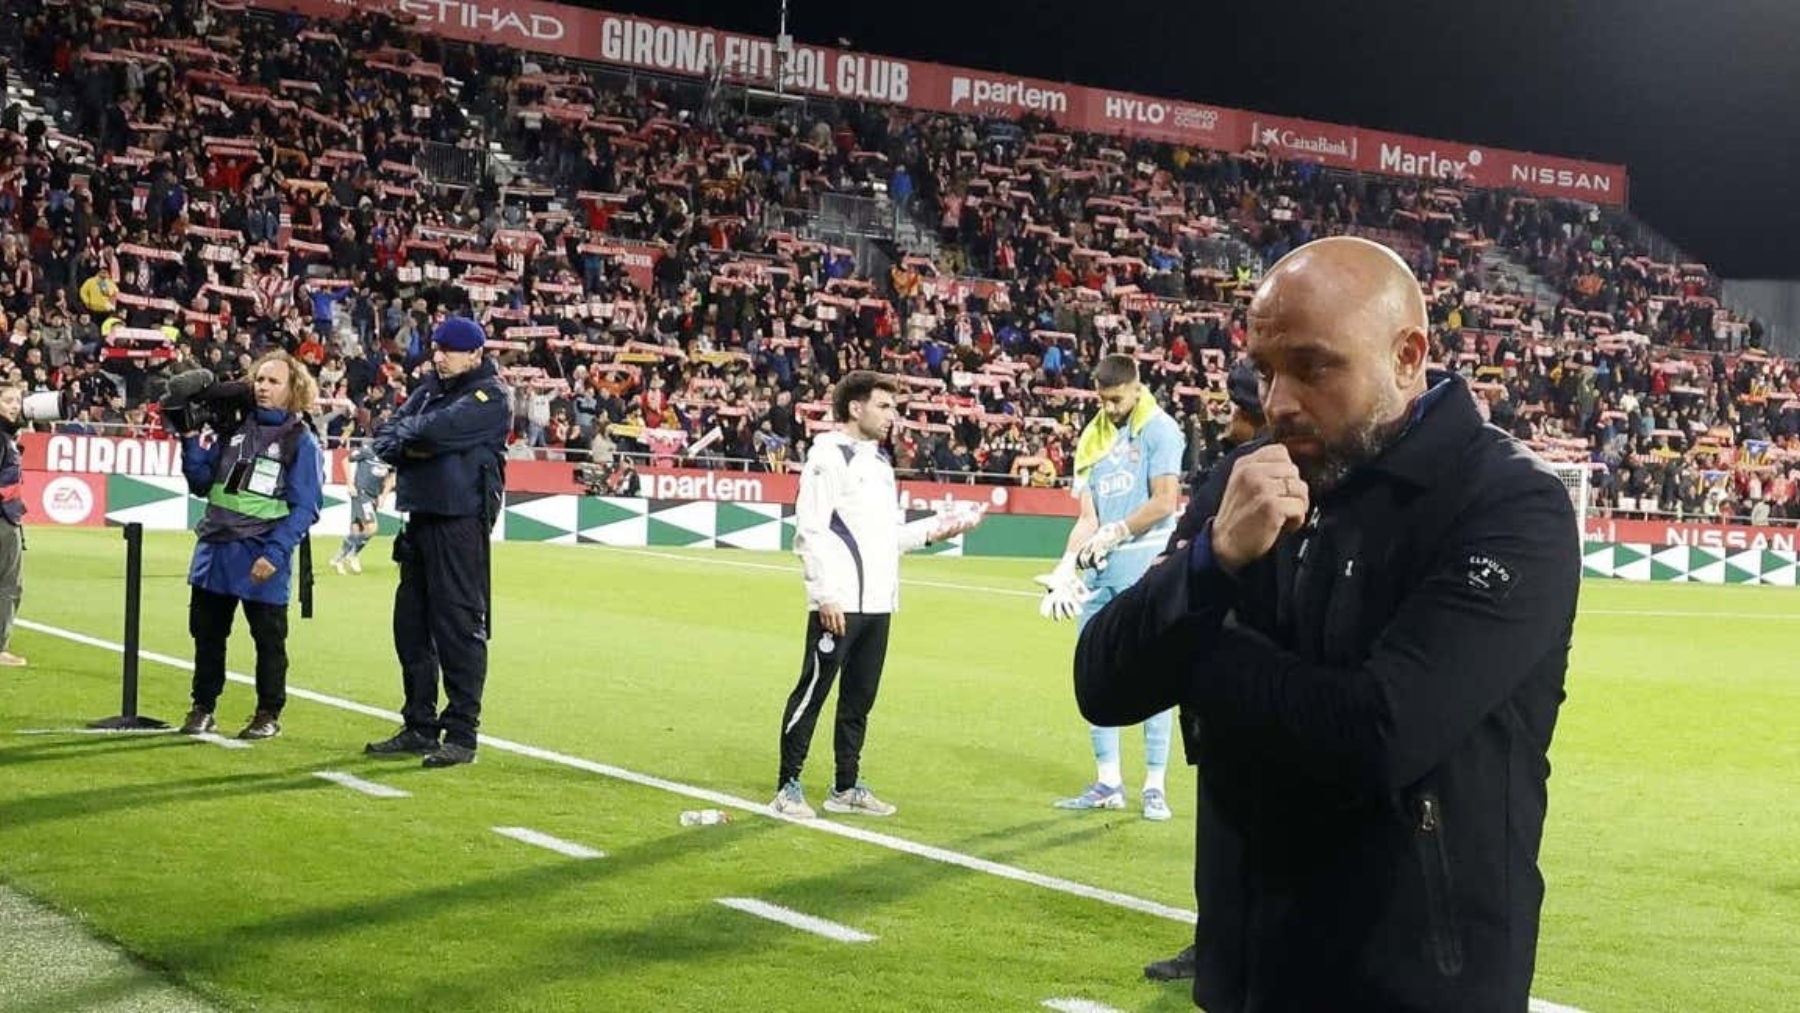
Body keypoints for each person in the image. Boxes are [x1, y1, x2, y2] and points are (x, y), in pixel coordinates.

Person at [1074, 236, 1581, 1012]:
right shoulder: (1249, 480)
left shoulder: (1508, 505)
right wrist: (1209, 561)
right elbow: (1102, 680)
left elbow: (1376, 736)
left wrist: (1198, 647)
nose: (1278, 401)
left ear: (1408, 356)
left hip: (1418, 985)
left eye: (1314, 367)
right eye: (1265, 368)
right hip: (1248, 972)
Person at [771, 371, 985, 819]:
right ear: (855, 408)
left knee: (859, 700)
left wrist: (941, 527)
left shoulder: (881, 464)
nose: (894, 416)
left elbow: (889, 538)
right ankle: (787, 786)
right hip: (839, 602)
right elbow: (808, 529)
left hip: (878, 604)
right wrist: (824, 594)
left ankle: (845, 788)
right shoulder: (828, 458)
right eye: (885, 407)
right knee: (813, 693)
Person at [1144, 358, 1265, 983]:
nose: (1225, 420)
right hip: (1270, 674)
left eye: (1233, 408)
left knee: (1226, 825)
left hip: (1226, 670)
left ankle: (1218, 945)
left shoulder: (1239, 471)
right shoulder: (1304, 468)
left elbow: (1184, 553)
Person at [1034, 354, 1183, 820]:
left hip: (1144, 574)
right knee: (1093, 674)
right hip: (1099, 577)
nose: (1110, 407)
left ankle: (1154, 785)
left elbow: (1164, 502)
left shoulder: (1160, 430)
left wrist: (1118, 532)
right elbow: (1087, 519)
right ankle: (1107, 782)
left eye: (1116, 399)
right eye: (1103, 400)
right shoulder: (1093, 437)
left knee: (1155, 678)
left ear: (1136, 388)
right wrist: (1065, 566)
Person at [364, 316, 510, 769]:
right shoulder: (430, 390)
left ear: (475, 354)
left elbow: (432, 431)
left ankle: (462, 734)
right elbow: (386, 439)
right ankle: (419, 725)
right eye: (436, 348)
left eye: (448, 349)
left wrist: (420, 438)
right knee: (410, 627)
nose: (438, 356)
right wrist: (421, 439)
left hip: (459, 520)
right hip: (421, 516)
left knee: (458, 627)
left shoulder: (491, 396)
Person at [177, 351, 324, 740]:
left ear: (294, 389)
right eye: (259, 379)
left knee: (269, 640)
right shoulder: (233, 428)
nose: (262, 387)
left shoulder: (300, 441)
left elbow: (306, 507)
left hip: (261, 554)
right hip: (215, 548)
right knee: (207, 635)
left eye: (273, 381)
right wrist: (189, 437)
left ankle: (268, 713)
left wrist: (274, 554)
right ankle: (203, 707)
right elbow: (200, 482)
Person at [331, 442, 394, 574]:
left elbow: (390, 477)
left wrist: (383, 495)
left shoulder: (390, 455)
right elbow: (345, 460)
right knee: (372, 528)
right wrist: (350, 484)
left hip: (373, 497)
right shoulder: (367, 450)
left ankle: (341, 558)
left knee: (357, 530)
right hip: (361, 493)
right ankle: (348, 555)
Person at [0, 384, 27, 667]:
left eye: (18, 400)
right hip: (3, 519)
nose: (15, 405)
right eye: (8, 400)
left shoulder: (7, 436)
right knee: (9, 584)